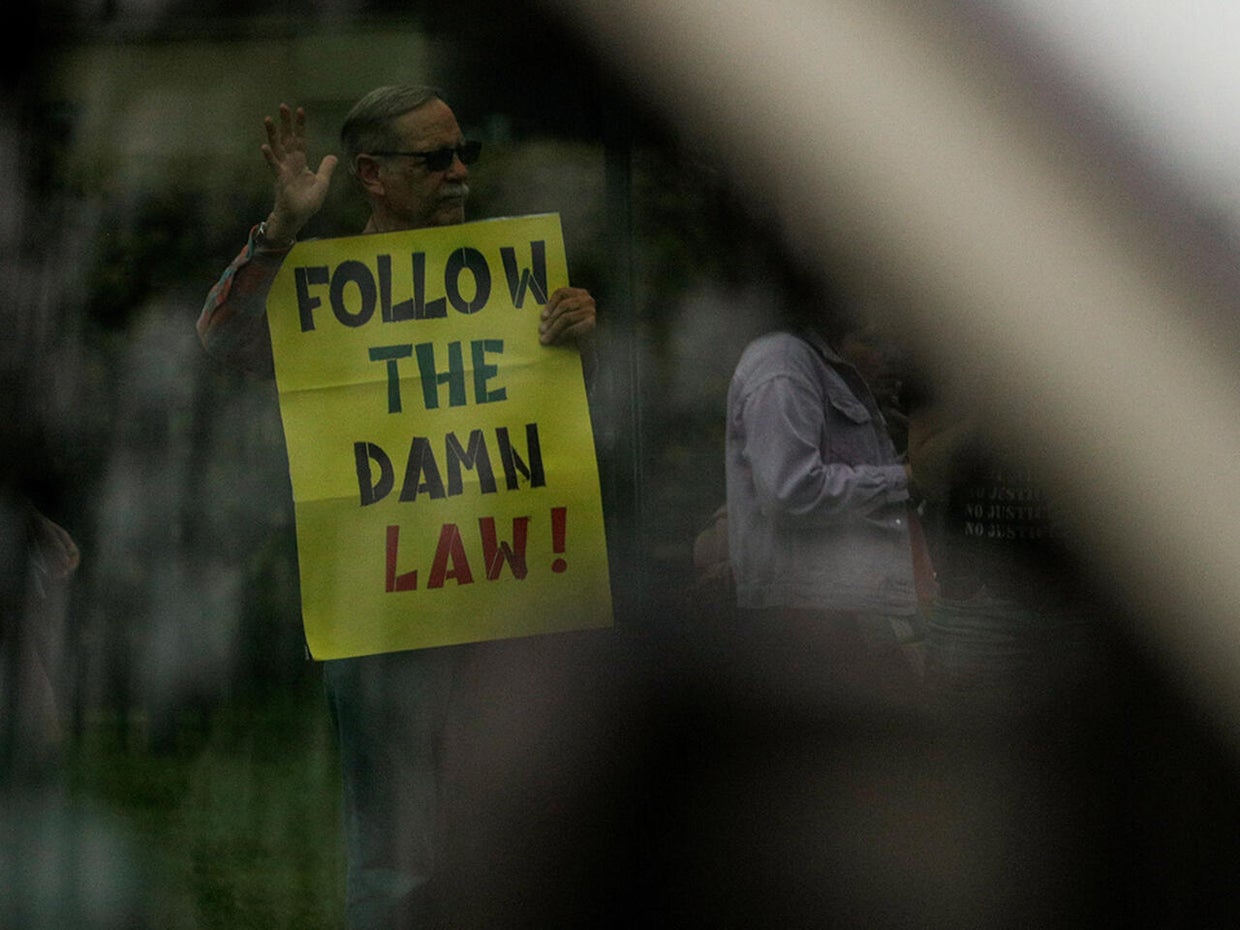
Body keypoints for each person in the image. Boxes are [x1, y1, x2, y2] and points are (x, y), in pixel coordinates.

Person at [197, 85, 597, 929]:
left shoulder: (508, 274)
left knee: (517, 833)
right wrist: (281, 231)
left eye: (464, 155)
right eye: (435, 160)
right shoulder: (325, 289)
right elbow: (224, 340)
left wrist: (572, 323)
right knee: (393, 850)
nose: (458, 173)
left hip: (503, 602)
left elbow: (541, 423)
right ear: (372, 176)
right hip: (383, 614)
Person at [723, 286, 921, 708]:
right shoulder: (783, 364)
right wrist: (901, 478)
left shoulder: (816, 364)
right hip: (808, 613)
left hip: (840, 606)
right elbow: (789, 492)